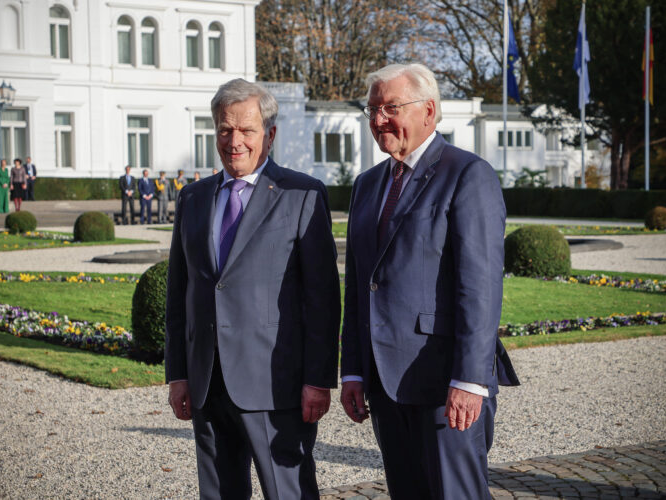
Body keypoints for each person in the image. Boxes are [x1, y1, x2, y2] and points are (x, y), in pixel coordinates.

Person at [339, 63, 519, 499]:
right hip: (384, 383)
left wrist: (470, 380)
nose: (379, 119)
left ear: (429, 112)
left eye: (391, 107)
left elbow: (480, 288)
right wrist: (353, 370)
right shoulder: (367, 185)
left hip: (445, 383)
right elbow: (361, 282)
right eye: (372, 109)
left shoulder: (467, 175)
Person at [166, 78, 340, 499]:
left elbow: (322, 298)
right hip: (208, 384)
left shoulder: (302, 195)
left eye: (246, 130)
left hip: (276, 386)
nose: (234, 140)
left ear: (270, 135)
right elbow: (180, 292)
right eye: (225, 129)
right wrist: (179, 374)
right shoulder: (193, 198)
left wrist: (318, 379)